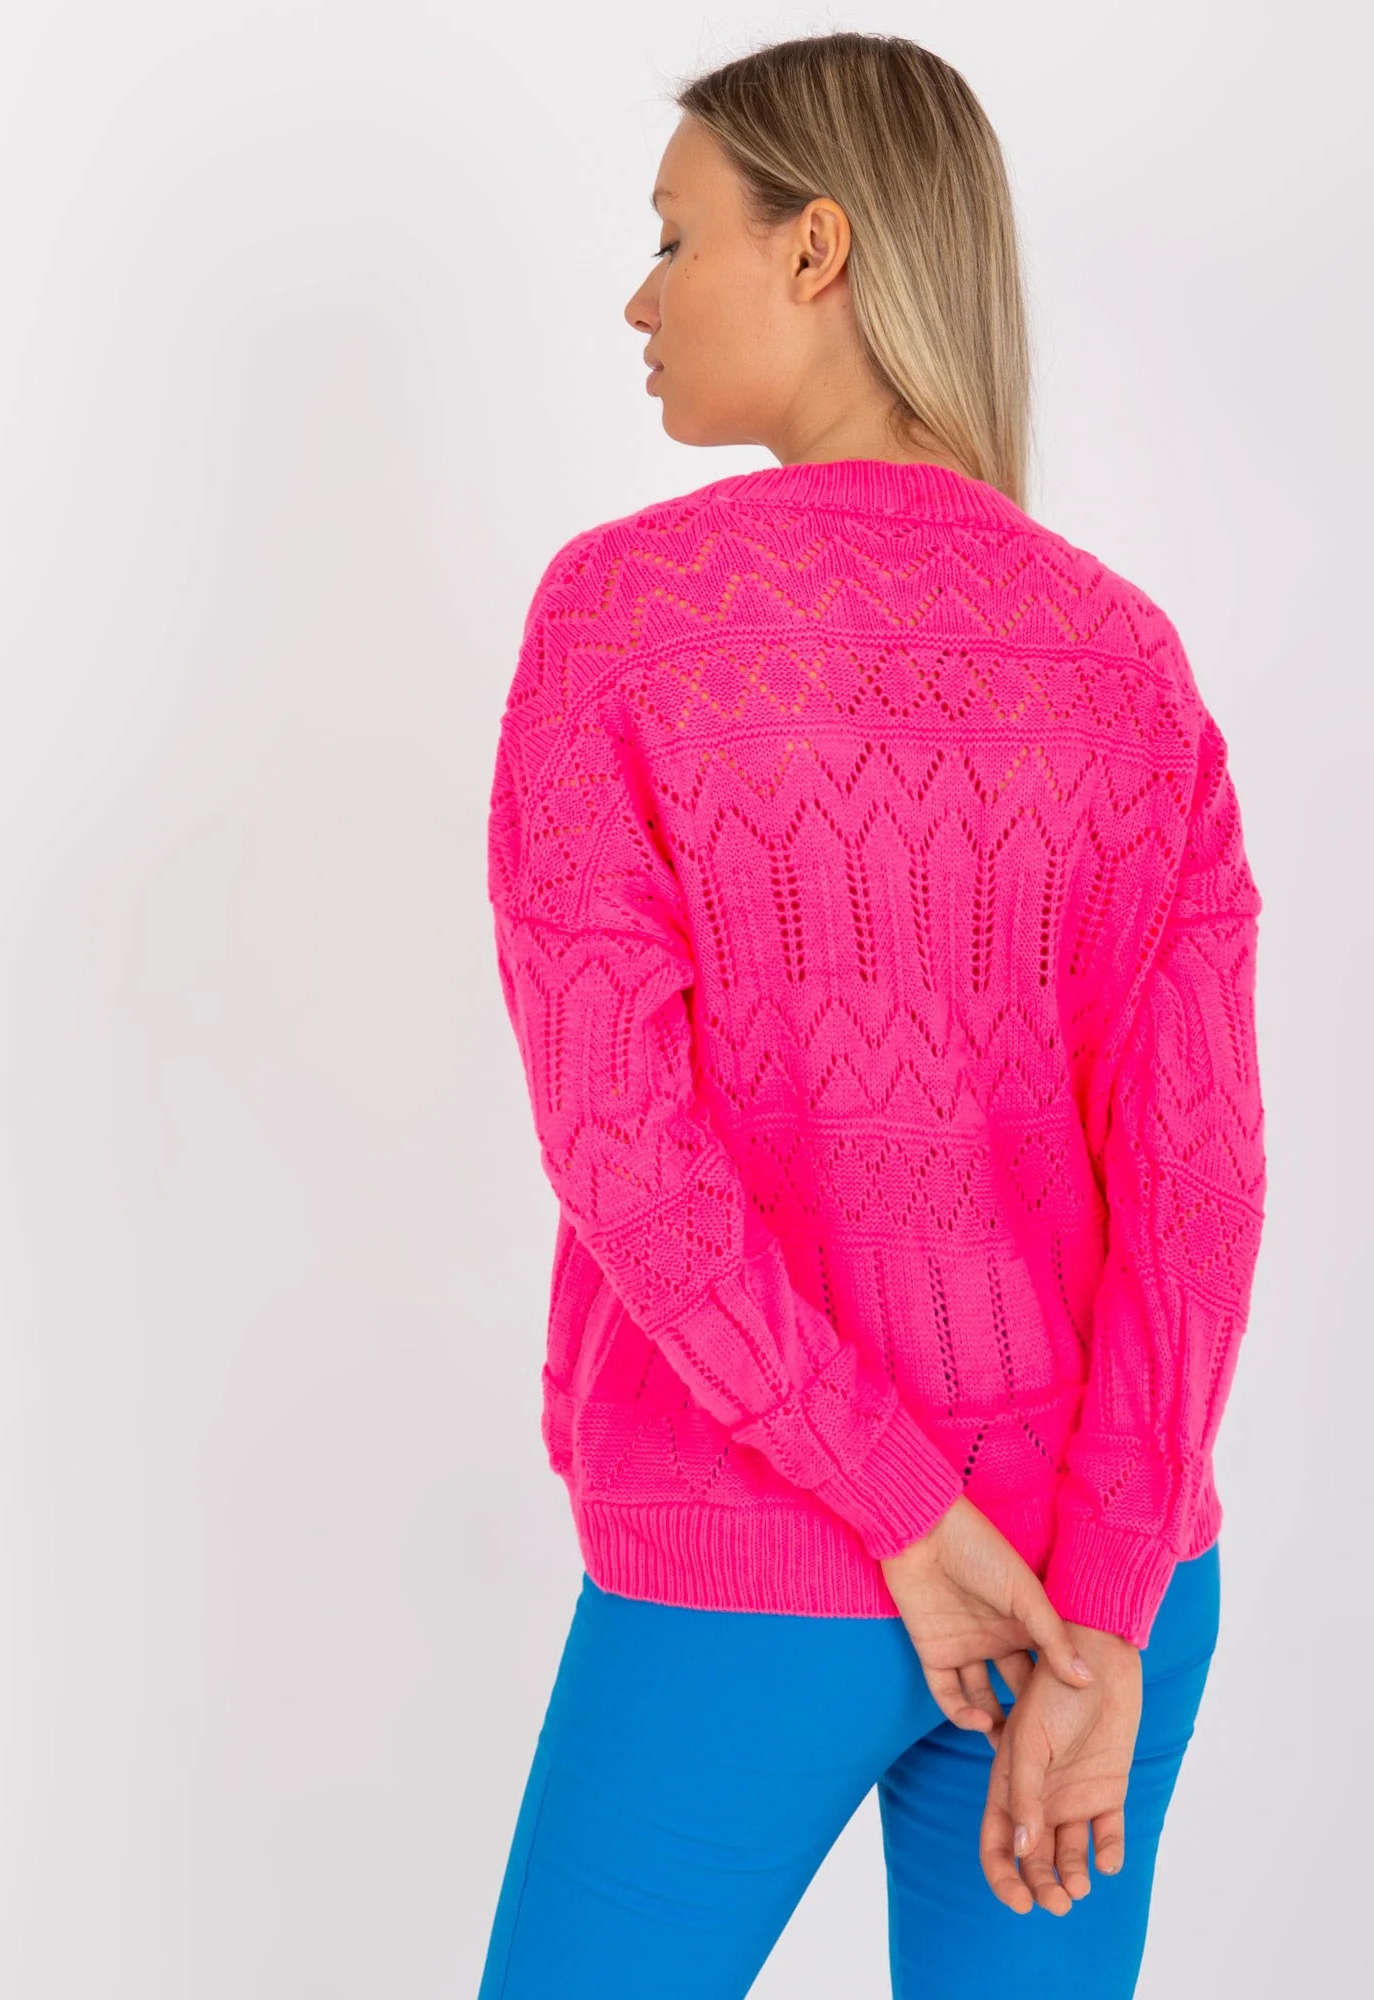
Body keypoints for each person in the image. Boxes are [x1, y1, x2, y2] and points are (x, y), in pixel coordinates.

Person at [476, 30, 1265, 2000]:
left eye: (677, 238)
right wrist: (1104, 1603)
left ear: (816, 247)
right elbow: (1199, 1188)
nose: (641, 297)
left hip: (759, 1565)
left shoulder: (622, 619)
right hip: (1095, 1594)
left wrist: (906, 1514)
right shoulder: (1128, 660)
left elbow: (620, 1147)